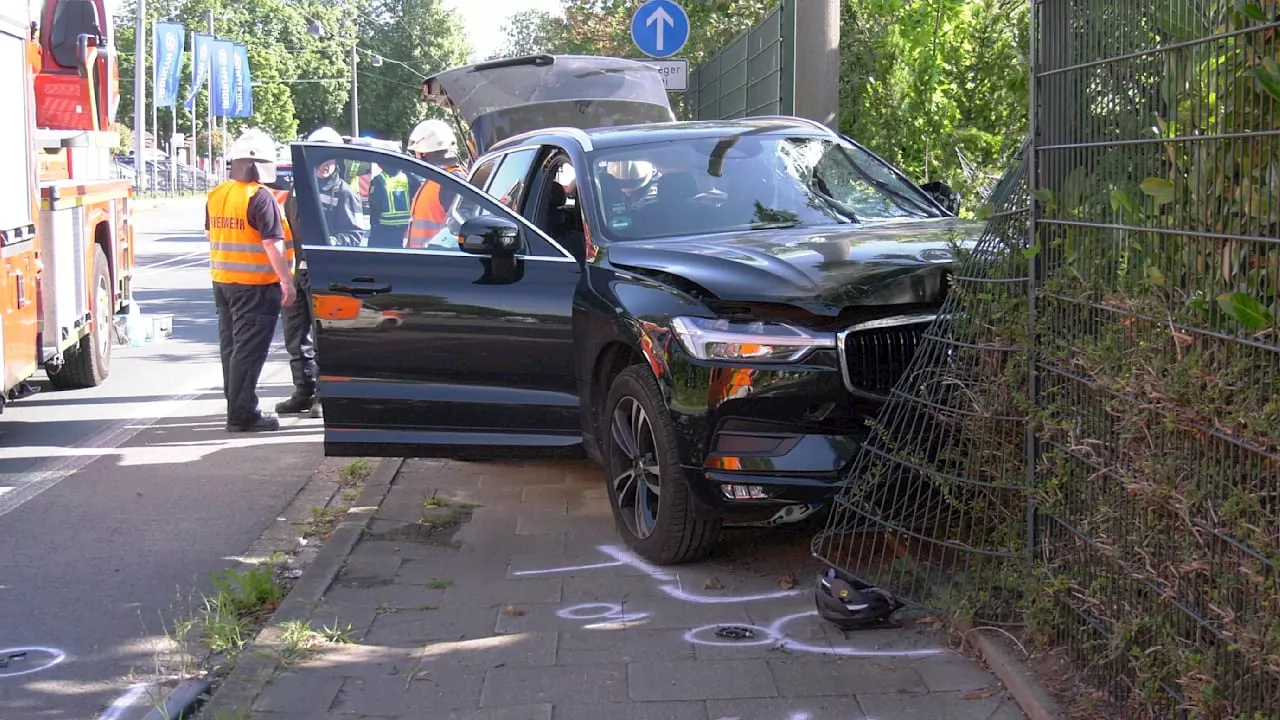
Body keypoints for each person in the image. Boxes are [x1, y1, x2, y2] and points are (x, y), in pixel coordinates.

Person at [206, 128, 294, 433]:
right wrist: (287, 281)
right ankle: (242, 414)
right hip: (255, 285)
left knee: (231, 347)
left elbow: (210, 234)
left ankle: (236, 403)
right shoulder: (261, 197)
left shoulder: (217, 194)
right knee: (248, 351)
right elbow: (273, 244)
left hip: (224, 283)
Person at [274, 126, 366, 417]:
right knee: (295, 338)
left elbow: (355, 235)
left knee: (324, 336)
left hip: (324, 274)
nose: (324, 166)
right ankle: (303, 390)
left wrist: (326, 246)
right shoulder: (296, 192)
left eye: (329, 160)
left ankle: (324, 396)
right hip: (295, 271)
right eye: (319, 160)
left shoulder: (344, 193)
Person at [405, 119, 467, 249]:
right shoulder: (437, 179)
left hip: (436, 260)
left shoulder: (450, 180)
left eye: (415, 152)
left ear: (423, 153)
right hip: (425, 260)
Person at [367, 164, 413, 248]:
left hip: (384, 228)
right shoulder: (408, 178)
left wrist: (374, 226)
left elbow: (374, 205)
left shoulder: (379, 179)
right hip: (405, 228)